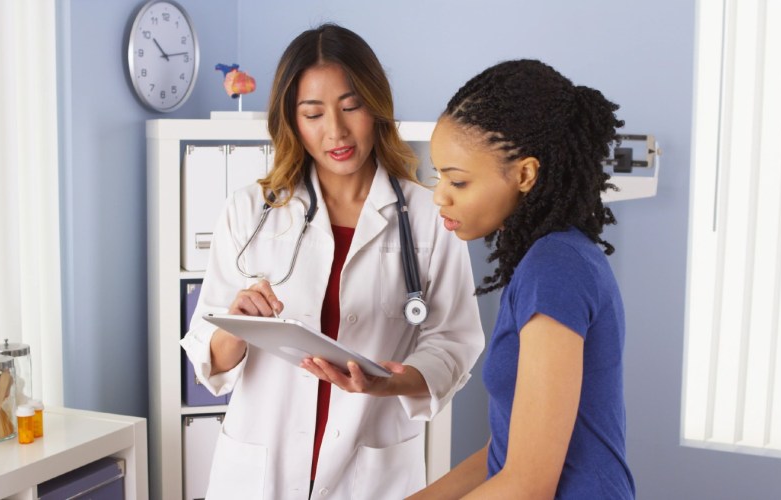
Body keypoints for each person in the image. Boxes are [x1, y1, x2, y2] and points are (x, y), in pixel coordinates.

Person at [179, 23, 484, 500]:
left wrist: (392, 383)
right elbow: (208, 357)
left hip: (373, 471)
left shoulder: (427, 215)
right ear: (292, 120)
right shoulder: (248, 211)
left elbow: (455, 339)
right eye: (314, 113)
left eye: (351, 106)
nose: (336, 131)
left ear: (376, 107)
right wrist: (234, 326)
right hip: (262, 472)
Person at [409, 59, 635, 499]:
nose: (439, 195)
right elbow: (506, 453)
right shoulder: (545, 260)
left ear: (525, 174)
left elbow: (528, 485)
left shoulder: (556, 267)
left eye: (457, 181)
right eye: (438, 176)